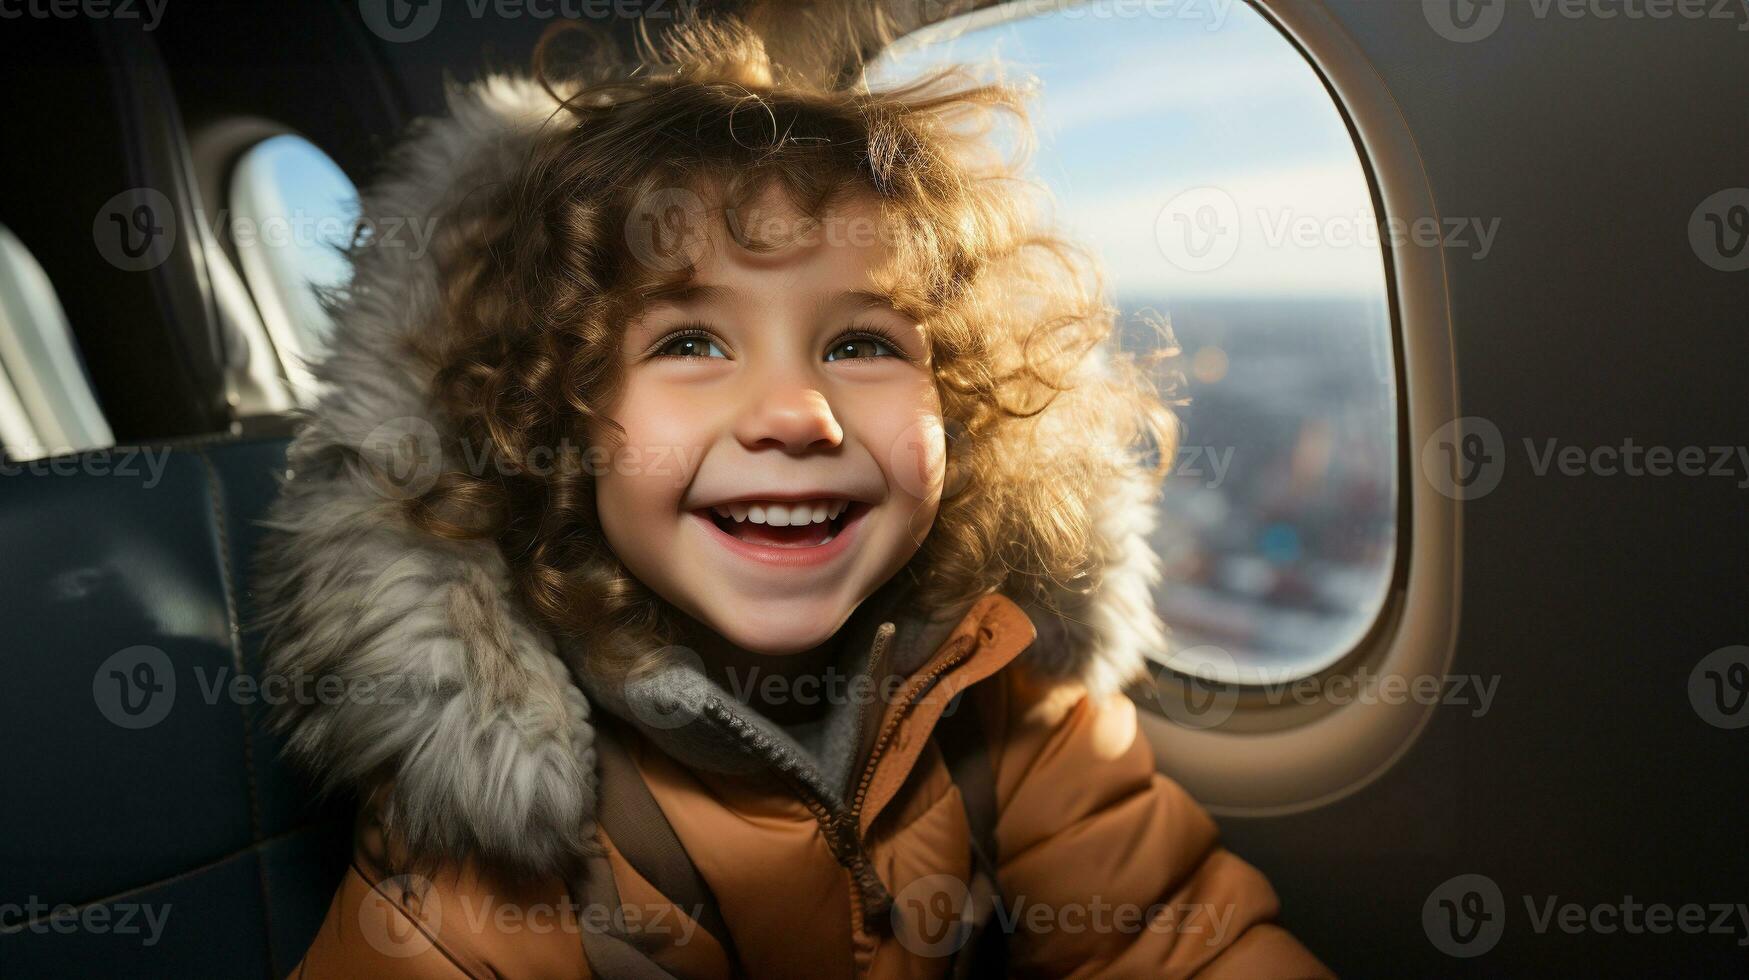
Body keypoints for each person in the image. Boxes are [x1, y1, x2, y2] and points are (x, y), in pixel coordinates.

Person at [253, 5, 1330, 977]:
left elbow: (1180, 939)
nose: (798, 413)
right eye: (691, 340)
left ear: (957, 407)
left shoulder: (1000, 699)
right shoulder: (489, 839)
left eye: (861, 341)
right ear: (561, 421)